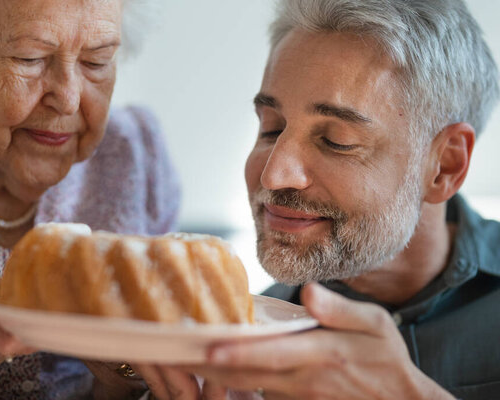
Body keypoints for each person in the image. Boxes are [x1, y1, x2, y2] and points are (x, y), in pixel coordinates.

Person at [160, 0, 500, 399]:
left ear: (444, 165)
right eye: (271, 129)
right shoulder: (250, 342)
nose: (273, 174)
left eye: (336, 141)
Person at [0, 0, 180, 398]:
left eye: (96, 62)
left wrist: (124, 368)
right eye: (30, 58)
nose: (67, 99)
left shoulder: (133, 156)